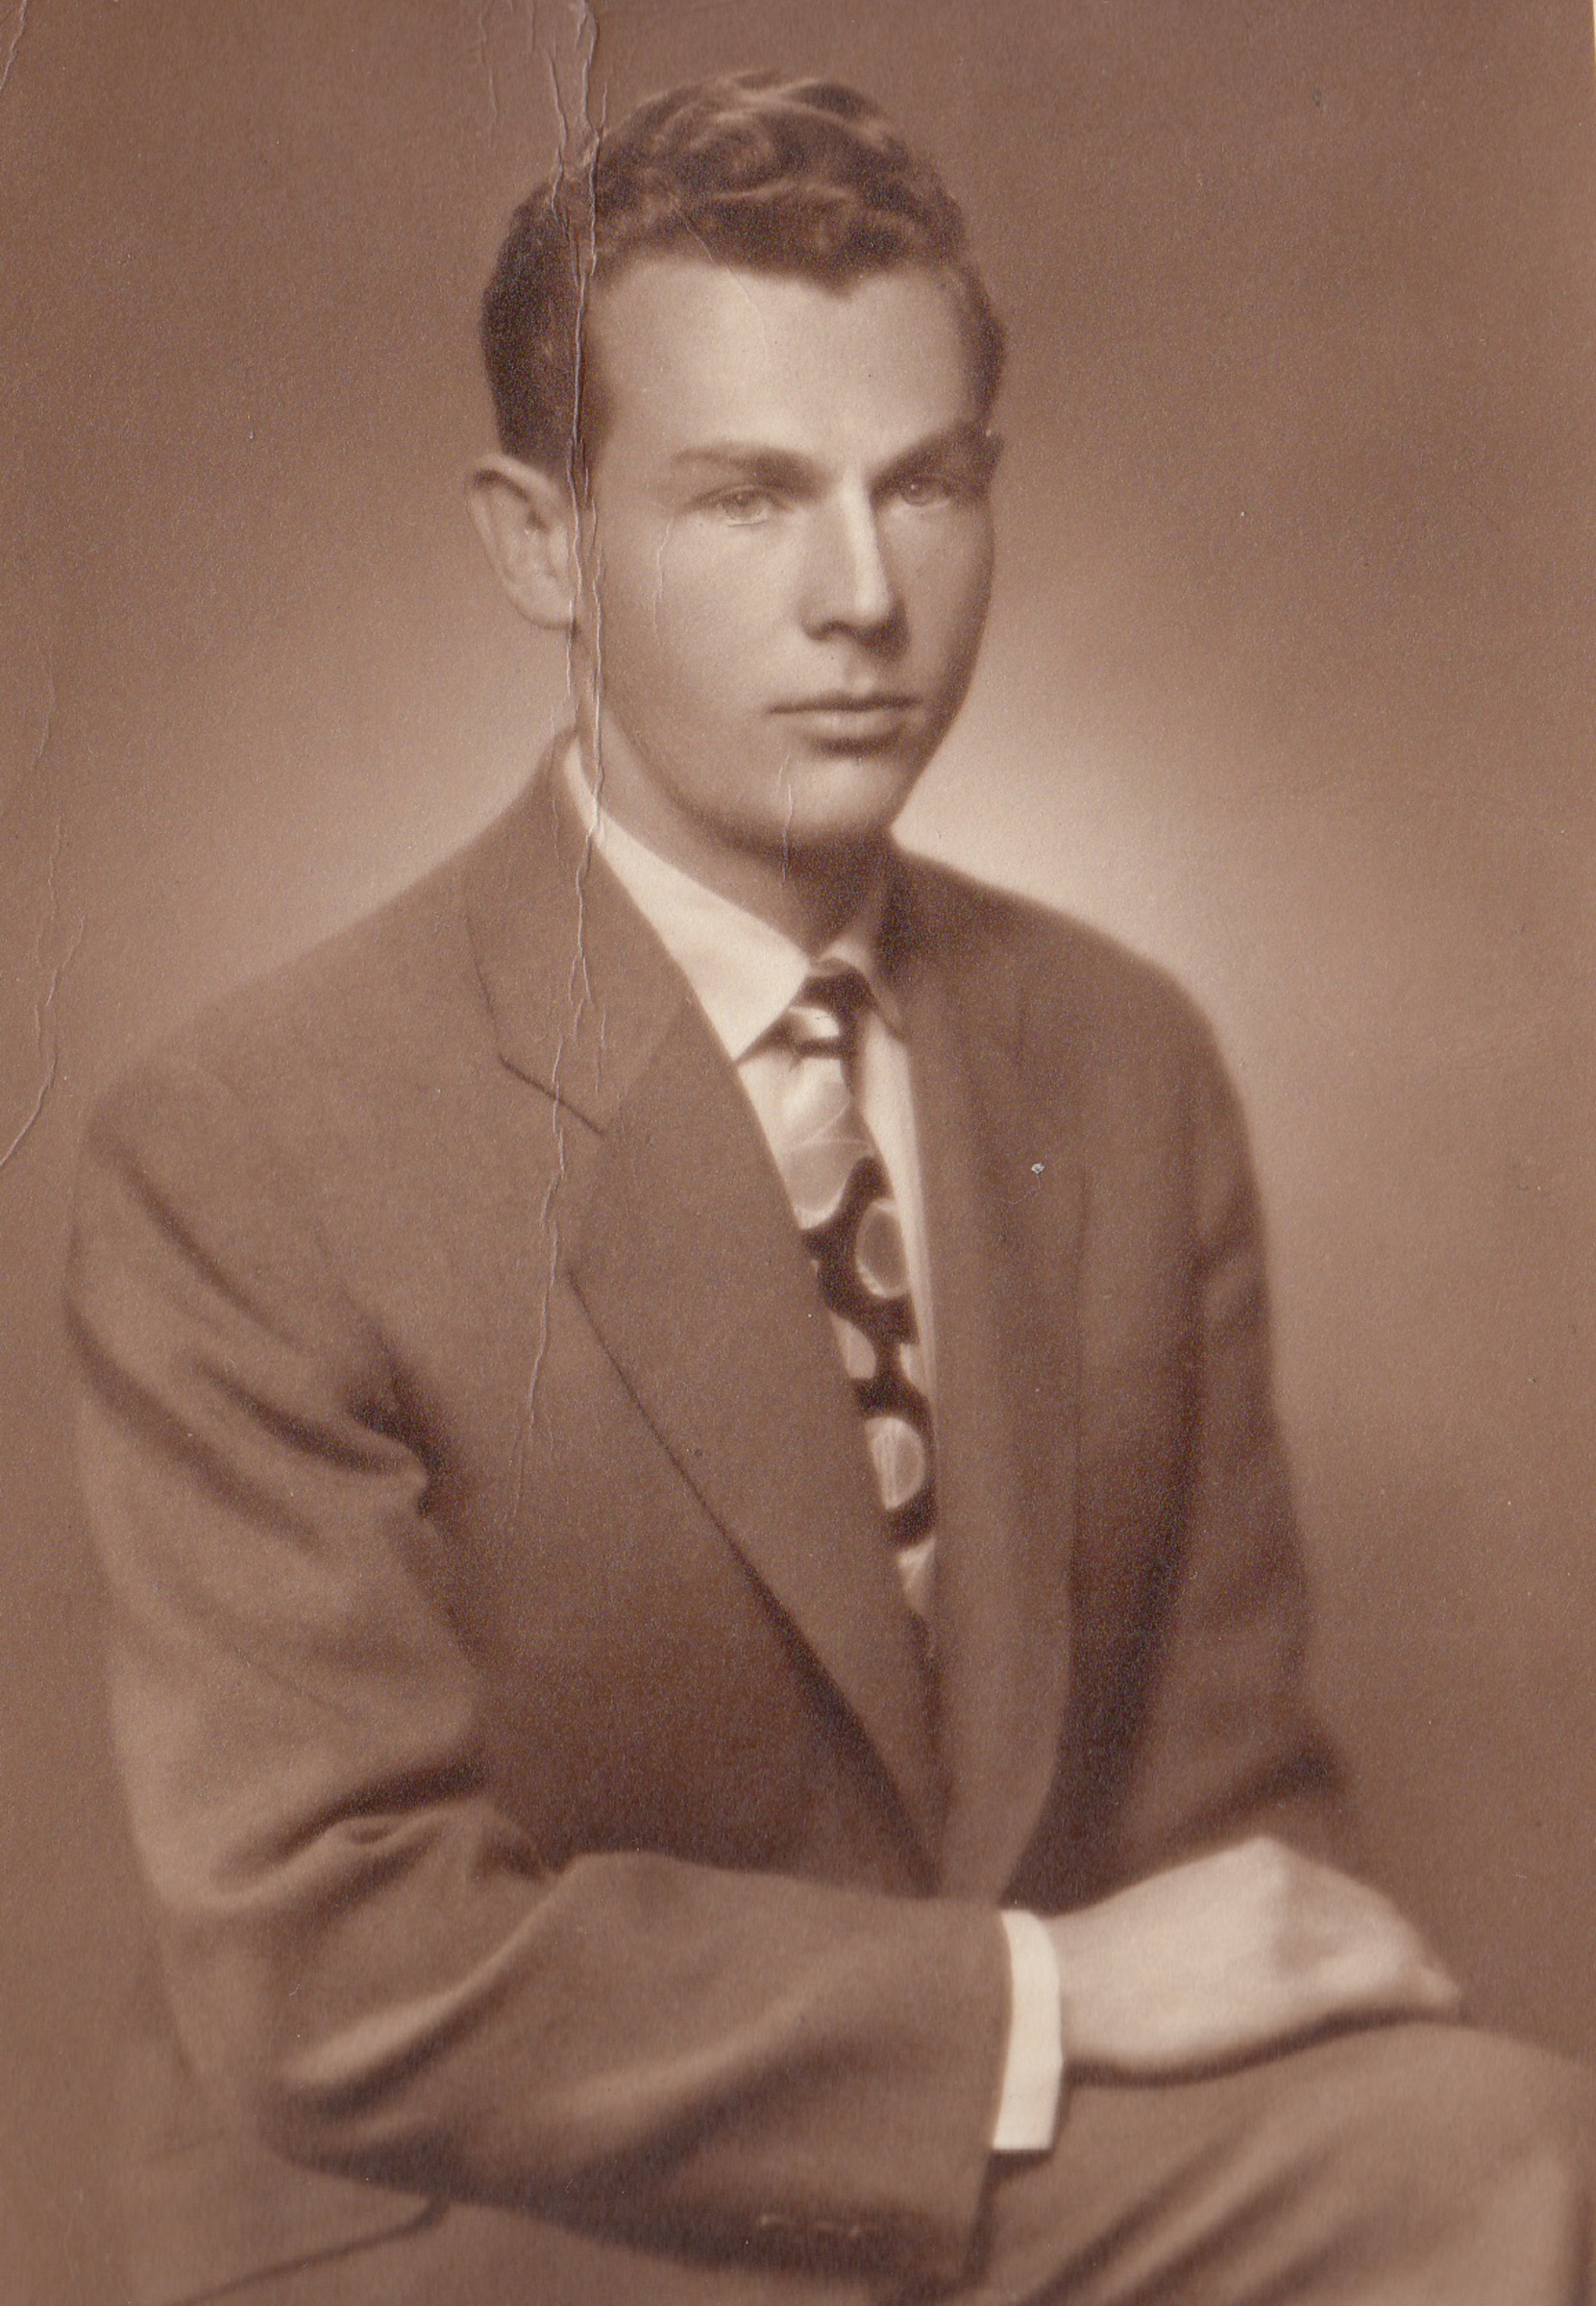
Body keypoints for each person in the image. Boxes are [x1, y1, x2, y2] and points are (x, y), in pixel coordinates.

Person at [69, 70, 1596, 2306]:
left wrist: (1258, 2030)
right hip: (480, 2205)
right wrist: (1033, 2002)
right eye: (747, 498)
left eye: (927, 487)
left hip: (995, 2165)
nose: (862, 596)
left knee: (1500, 2159)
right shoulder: (245, 1145)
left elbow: (1229, 1836)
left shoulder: (1123, 1060)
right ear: (540, 543)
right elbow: (340, 1976)